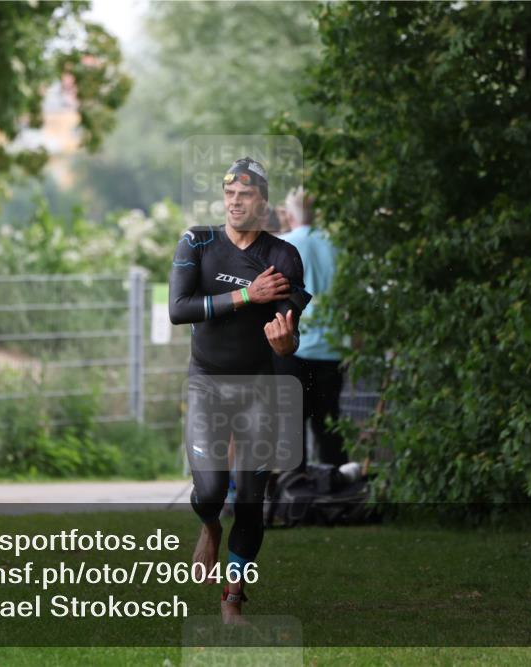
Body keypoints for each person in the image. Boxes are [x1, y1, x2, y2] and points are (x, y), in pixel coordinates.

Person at [169, 157, 307, 623]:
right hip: (207, 382)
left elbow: (287, 335)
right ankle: (209, 526)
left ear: (263, 204)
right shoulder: (197, 241)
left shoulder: (283, 256)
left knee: (250, 495)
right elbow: (179, 308)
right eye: (229, 194)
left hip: (259, 388)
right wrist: (247, 295)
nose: (234, 202)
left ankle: (233, 595)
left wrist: (287, 342)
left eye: (245, 195)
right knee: (209, 491)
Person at [275, 186, 347, 468]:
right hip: (332, 345)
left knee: (292, 426)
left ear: (290, 215)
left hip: (294, 346)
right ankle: (337, 493)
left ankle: (296, 491)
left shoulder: (283, 247)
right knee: (329, 424)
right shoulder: (335, 245)